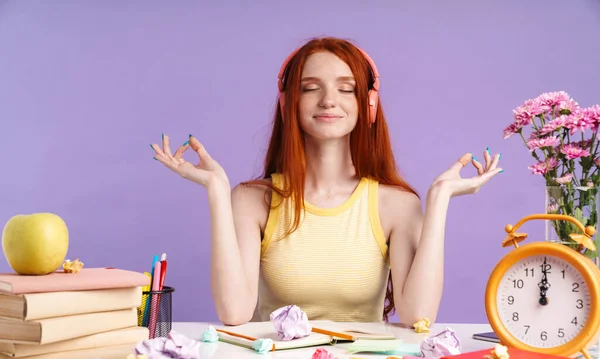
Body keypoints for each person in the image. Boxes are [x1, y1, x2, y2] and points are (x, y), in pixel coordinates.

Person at [150, 36, 502, 326]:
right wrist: (216, 192)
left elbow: (418, 317)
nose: (329, 100)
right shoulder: (250, 200)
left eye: (346, 89)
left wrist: (439, 200)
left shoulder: (396, 204)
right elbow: (234, 313)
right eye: (311, 88)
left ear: (369, 105)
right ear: (289, 104)